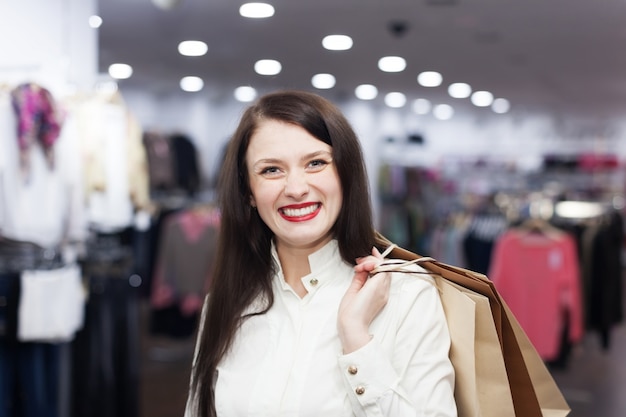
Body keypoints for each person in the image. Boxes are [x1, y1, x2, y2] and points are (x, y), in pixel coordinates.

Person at [185, 90, 457, 417]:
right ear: (248, 192)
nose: (296, 188)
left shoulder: (408, 294)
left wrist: (357, 339)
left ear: (346, 174)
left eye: (316, 163)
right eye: (271, 170)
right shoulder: (225, 301)